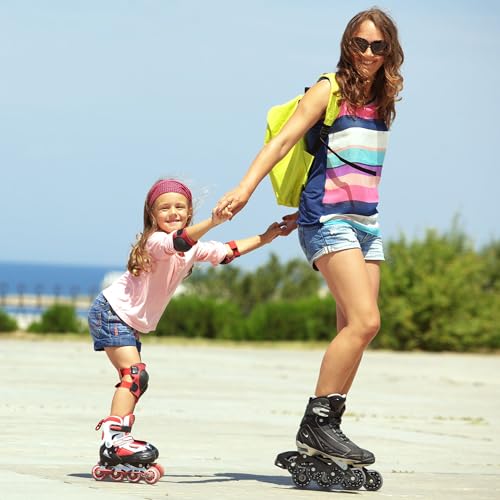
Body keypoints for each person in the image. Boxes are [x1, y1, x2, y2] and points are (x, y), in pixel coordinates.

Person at [216, 8, 404, 469]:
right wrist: (244, 189)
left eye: (378, 47)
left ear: (390, 52)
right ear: (347, 44)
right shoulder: (329, 89)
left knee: (352, 332)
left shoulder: (385, 95)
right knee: (366, 321)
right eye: (360, 44)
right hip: (326, 218)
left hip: (366, 221)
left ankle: (325, 434)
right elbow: (281, 142)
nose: (367, 53)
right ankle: (318, 424)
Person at [88, 178, 287, 481]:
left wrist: (266, 237)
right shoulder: (155, 241)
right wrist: (214, 220)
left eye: (179, 207)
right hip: (111, 311)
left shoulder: (193, 249)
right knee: (134, 375)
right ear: (152, 215)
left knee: (134, 379)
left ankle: (118, 442)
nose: (172, 212)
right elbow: (179, 241)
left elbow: (228, 250)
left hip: (126, 320)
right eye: (164, 208)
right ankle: (114, 440)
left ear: (188, 211)